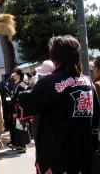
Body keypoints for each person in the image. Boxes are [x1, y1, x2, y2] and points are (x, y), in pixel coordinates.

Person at [19, 35, 100, 174]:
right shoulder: (87, 83)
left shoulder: (48, 82)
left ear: (55, 58)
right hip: (83, 155)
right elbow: (96, 116)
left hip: (55, 158)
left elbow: (26, 104)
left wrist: (30, 85)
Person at [9, 68, 30, 153]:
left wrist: (15, 111)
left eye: (14, 73)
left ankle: (22, 145)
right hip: (17, 109)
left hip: (19, 110)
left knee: (20, 126)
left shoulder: (21, 85)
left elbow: (20, 99)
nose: (13, 74)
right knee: (18, 127)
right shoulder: (18, 84)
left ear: (17, 74)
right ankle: (18, 144)